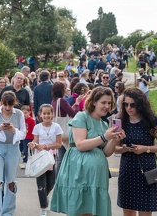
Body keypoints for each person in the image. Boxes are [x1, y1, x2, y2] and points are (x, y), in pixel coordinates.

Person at [50, 87, 126, 216]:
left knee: (91, 211)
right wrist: (104, 137)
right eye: (103, 102)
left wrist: (113, 139)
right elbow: (80, 144)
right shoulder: (82, 116)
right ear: (94, 102)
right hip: (78, 170)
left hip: (96, 176)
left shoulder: (103, 124)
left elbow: (107, 152)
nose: (107, 106)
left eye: (109, 103)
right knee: (78, 208)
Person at [115, 88, 157, 215]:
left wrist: (146, 149)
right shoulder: (121, 121)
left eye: (132, 105)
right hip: (127, 170)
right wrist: (124, 148)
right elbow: (115, 149)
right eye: (126, 104)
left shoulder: (151, 121)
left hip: (146, 171)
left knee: (145, 210)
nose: (129, 108)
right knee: (128, 210)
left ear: (140, 104)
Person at [0, 91, 26, 216]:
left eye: (11, 105)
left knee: (11, 182)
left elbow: (23, 133)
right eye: (5, 105)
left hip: (13, 148)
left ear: (14, 103)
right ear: (1, 102)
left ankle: (7, 212)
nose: (8, 108)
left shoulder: (18, 114)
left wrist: (14, 130)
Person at [27, 104, 62, 216]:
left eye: (48, 113)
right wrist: (33, 145)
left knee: (51, 182)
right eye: (44, 113)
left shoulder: (56, 127)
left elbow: (58, 144)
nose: (46, 115)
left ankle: (43, 196)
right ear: (40, 115)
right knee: (41, 184)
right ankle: (43, 206)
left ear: (52, 114)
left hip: (52, 157)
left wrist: (46, 146)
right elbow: (36, 142)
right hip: (40, 158)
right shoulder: (37, 127)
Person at [51, 82, 83, 173]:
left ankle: (58, 180)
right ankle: (59, 180)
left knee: (60, 158)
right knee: (63, 159)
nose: (66, 90)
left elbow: (66, 111)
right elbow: (73, 114)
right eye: (64, 88)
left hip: (58, 132)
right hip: (64, 132)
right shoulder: (61, 101)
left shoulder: (54, 101)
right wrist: (77, 104)